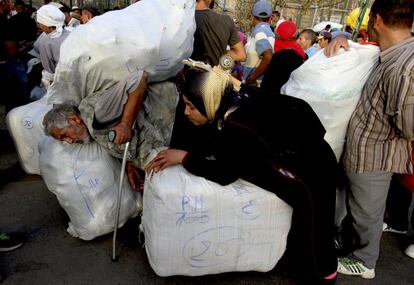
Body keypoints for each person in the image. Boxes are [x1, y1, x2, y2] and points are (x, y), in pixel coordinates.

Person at [147, 66, 338, 284]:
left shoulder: (237, 124)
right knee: (303, 231)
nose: (186, 112)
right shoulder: (235, 98)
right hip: (300, 156)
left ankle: (324, 277)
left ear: (208, 103)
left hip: (310, 172)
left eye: (191, 106)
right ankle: (298, 264)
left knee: (316, 232)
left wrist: (183, 157)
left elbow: (224, 173)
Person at [325, 0, 414, 279]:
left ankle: (365, 261)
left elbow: (409, 126)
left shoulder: (405, 65)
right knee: (359, 207)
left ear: (376, 20)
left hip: (375, 153)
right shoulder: (393, 52)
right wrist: (340, 37)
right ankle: (351, 244)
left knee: (368, 211)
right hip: (364, 151)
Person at [191, 0, 246, 67]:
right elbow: (241, 55)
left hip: (183, 74)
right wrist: (218, 52)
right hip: (213, 75)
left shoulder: (183, 18)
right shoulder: (226, 20)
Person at [260, 21, 306, 94]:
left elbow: (268, 82)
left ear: (279, 34)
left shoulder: (279, 55)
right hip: (292, 96)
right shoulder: (302, 54)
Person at [35, 4, 70, 85]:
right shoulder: (71, 32)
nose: (38, 26)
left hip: (63, 81)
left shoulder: (46, 41)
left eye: (39, 23)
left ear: (46, 24)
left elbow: (49, 70)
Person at [242, 0, 274, 86]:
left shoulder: (260, 31)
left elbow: (268, 56)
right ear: (271, 17)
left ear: (252, 16)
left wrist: (252, 78)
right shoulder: (267, 31)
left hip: (253, 85)